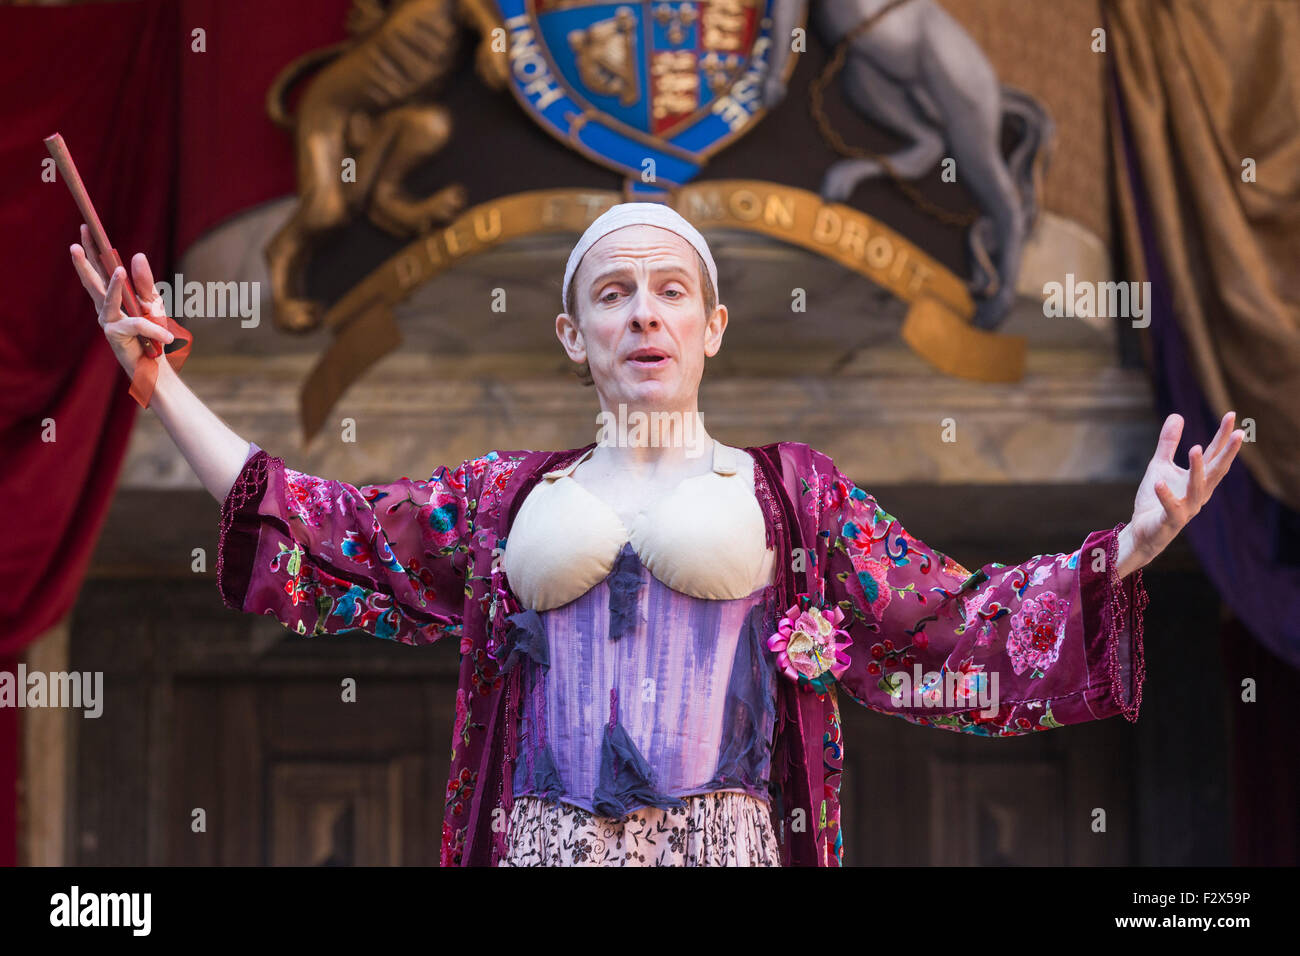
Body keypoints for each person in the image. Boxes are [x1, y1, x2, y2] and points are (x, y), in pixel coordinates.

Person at [71, 203, 1244, 867]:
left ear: (714, 325)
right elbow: (317, 531)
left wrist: (1129, 546)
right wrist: (160, 386)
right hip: (540, 843)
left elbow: (949, 623)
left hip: (727, 844)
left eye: (670, 289)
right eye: (615, 293)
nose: (644, 310)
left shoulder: (795, 496)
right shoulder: (499, 501)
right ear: (574, 335)